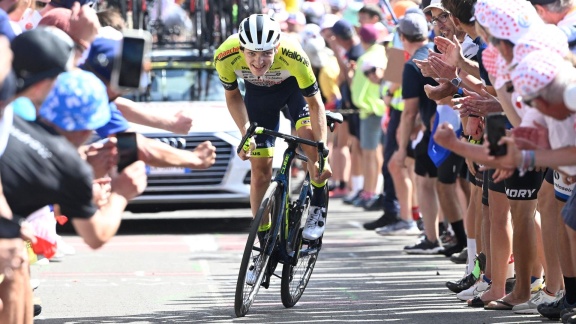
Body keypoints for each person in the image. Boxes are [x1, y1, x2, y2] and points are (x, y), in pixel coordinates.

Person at [213, 14, 332, 248]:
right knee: (259, 173)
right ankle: (264, 239)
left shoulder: (294, 54)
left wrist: (322, 151)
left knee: (309, 142)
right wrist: (245, 130)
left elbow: (315, 103)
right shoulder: (225, 55)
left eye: (266, 53)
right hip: (259, 100)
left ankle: (317, 205)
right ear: (241, 48)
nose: (259, 62)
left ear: (277, 47)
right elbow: (233, 96)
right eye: (252, 54)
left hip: (295, 93)